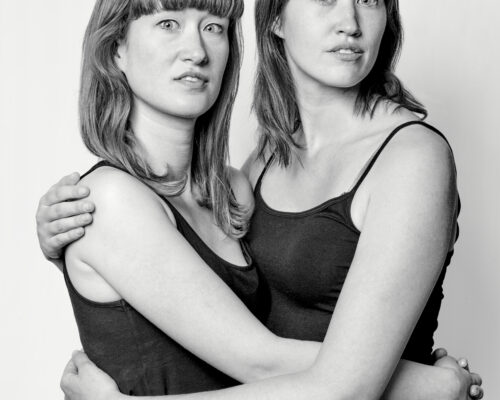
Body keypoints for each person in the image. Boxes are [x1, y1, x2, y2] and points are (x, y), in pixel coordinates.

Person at [36, 0, 484, 399]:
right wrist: (430, 385)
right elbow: (266, 360)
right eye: (168, 24)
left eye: (214, 27)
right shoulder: (117, 200)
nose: (196, 50)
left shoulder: (235, 189)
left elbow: (322, 375)